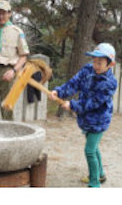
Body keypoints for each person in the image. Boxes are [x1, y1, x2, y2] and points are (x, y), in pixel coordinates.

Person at [49, 43, 118, 188]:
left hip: (99, 120)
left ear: (110, 64)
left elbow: (93, 103)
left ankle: (94, 183)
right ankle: (100, 175)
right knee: (94, 148)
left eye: (100, 62)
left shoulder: (110, 83)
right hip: (86, 119)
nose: (95, 65)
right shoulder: (88, 69)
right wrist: (59, 92)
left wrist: (72, 105)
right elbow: (74, 83)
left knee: (89, 150)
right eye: (94, 61)